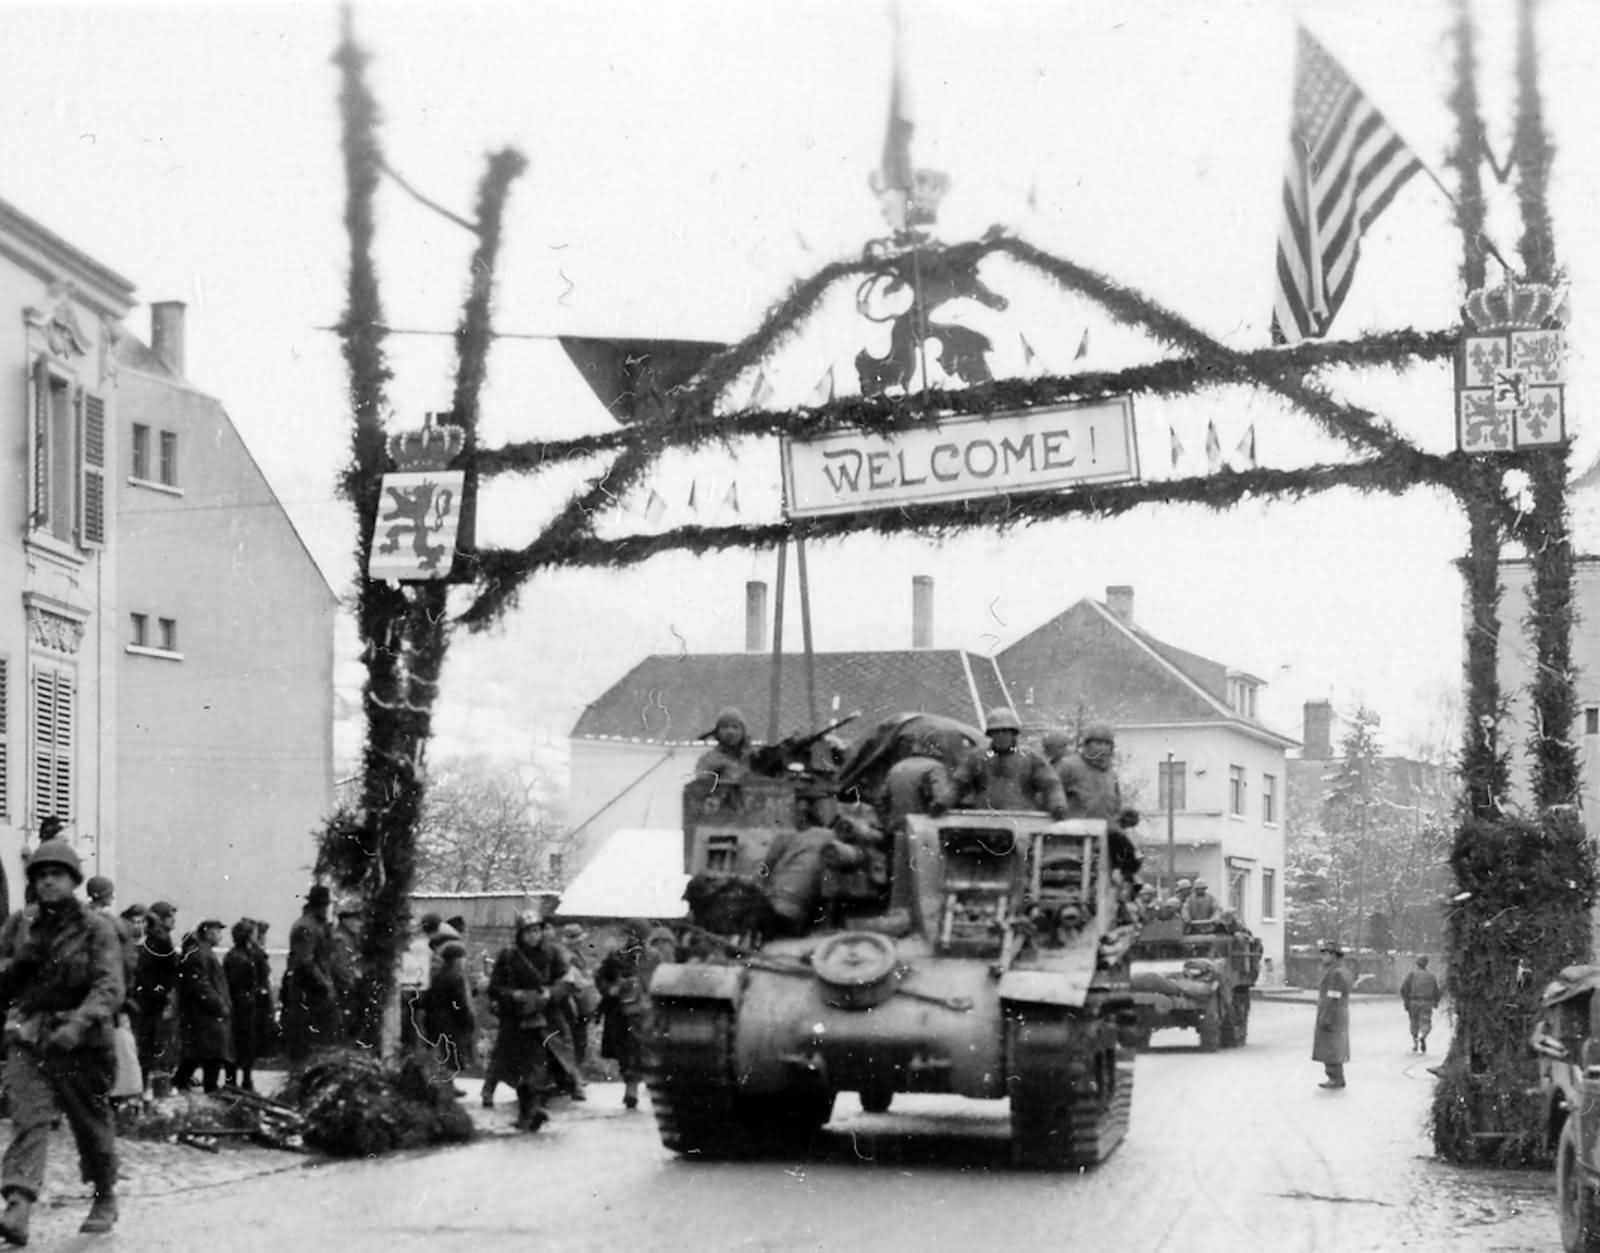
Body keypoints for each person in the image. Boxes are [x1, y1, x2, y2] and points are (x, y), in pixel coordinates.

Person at [0, 838, 124, 1240]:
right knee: (28, 1118)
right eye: (40, 876)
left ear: (73, 881)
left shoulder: (95, 927)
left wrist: (77, 1025)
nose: (48, 882)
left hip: (81, 1042)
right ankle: (18, 1204)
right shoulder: (21, 924)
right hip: (31, 1034)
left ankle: (104, 1194)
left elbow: (109, 986)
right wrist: (15, 968)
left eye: (56, 875)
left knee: (90, 1125)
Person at [486, 910, 565, 1132]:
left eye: (537, 930)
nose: (533, 936)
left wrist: (551, 993)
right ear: (520, 934)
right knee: (519, 1069)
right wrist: (514, 995)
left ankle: (532, 1111)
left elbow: (566, 981)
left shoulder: (552, 954)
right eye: (528, 931)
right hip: (515, 1020)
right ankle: (527, 1112)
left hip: (545, 1019)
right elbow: (494, 988)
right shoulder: (508, 956)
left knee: (540, 1067)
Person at [1055, 722, 1143, 884]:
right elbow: (1051, 793)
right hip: (1073, 837)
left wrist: (1125, 817)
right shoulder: (1068, 766)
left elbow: (1115, 808)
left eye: (1106, 744)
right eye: (1097, 743)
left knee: (1128, 864)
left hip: (1105, 841)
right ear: (1086, 745)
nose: (1102, 748)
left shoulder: (1111, 775)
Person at [951, 708, 1067, 816]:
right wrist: (943, 802)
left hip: (1022, 818)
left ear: (1013, 734)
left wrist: (1058, 806)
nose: (1001, 736)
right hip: (984, 817)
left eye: (1005, 732)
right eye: (996, 732)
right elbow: (958, 784)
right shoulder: (977, 757)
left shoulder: (1030, 758)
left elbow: (1051, 785)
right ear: (990, 735)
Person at [596, 919, 661, 1111]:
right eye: (627, 935)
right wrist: (611, 988)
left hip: (644, 1011)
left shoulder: (653, 957)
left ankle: (635, 1087)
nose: (629, 939)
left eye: (633, 935)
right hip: (620, 1011)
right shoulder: (616, 956)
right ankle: (630, 1085)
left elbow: (661, 980)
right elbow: (601, 977)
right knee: (625, 1052)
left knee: (642, 1051)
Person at [281, 884, 342, 1067]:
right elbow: (306, 962)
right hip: (309, 997)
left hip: (316, 996)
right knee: (309, 1048)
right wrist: (325, 985)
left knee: (320, 1046)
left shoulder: (317, 926)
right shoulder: (306, 927)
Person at [173, 919, 233, 1093]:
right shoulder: (200, 953)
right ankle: (209, 1087)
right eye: (218, 932)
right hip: (206, 1013)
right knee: (211, 1052)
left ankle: (182, 1082)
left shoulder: (202, 951)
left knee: (200, 1052)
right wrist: (219, 1005)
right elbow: (202, 985)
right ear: (208, 933)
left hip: (205, 1012)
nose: (220, 936)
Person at [132, 900, 181, 1097]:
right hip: (153, 1002)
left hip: (156, 1000)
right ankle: (149, 1088)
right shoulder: (158, 940)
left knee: (155, 1044)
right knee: (153, 1044)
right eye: (170, 916)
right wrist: (161, 992)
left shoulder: (158, 939)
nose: (173, 921)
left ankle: (151, 1086)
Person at [222, 920, 266, 1091]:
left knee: (245, 1043)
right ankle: (238, 1081)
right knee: (241, 1042)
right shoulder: (239, 957)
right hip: (241, 1004)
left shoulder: (239, 954)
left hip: (243, 1003)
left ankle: (240, 1080)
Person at [425, 940, 477, 1077]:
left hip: (438, 1022)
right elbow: (460, 1003)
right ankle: (448, 1084)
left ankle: (447, 1083)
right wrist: (468, 1020)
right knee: (453, 1056)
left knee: (444, 1055)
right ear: (456, 960)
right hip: (453, 1023)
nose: (464, 961)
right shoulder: (456, 978)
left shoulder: (438, 976)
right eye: (462, 958)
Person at [1314, 941, 1353, 1090]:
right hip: (1337, 1014)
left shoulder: (1336, 973)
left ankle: (1335, 1078)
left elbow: (1333, 996)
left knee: (1330, 1048)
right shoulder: (1339, 970)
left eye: (1326, 954)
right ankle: (1336, 1077)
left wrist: (1326, 1016)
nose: (1323, 957)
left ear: (1334, 955)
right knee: (1333, 1047)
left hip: (1332, 1014)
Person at [329, 898, 365, 1039]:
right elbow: (341, 968)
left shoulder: (349, 938)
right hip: (344, 991)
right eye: (357, 919)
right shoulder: (341, 940)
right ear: (345, 920)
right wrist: (352, 983)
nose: (360, 923)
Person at [695, 707, 753, 788]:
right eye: (725, 727)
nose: (730, 731)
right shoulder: (708, 760)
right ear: (717, 732)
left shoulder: (755, 758)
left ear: (743, 732)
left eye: (735, 727)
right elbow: (700, 788)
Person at [1400, 955, 1442, 1053]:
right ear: (1426, 964)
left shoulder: (1411, 975)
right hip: (1426, 1003)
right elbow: (1436, 991)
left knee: (1414, 1023)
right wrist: (1436, 1002)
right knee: (1426, 1022)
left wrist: (1406, 1001)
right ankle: (1423, 1036)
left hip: (1413, 1002)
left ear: (1417, 964)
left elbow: (1403, 989)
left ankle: (1415, 1044)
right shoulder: (1431, 976)